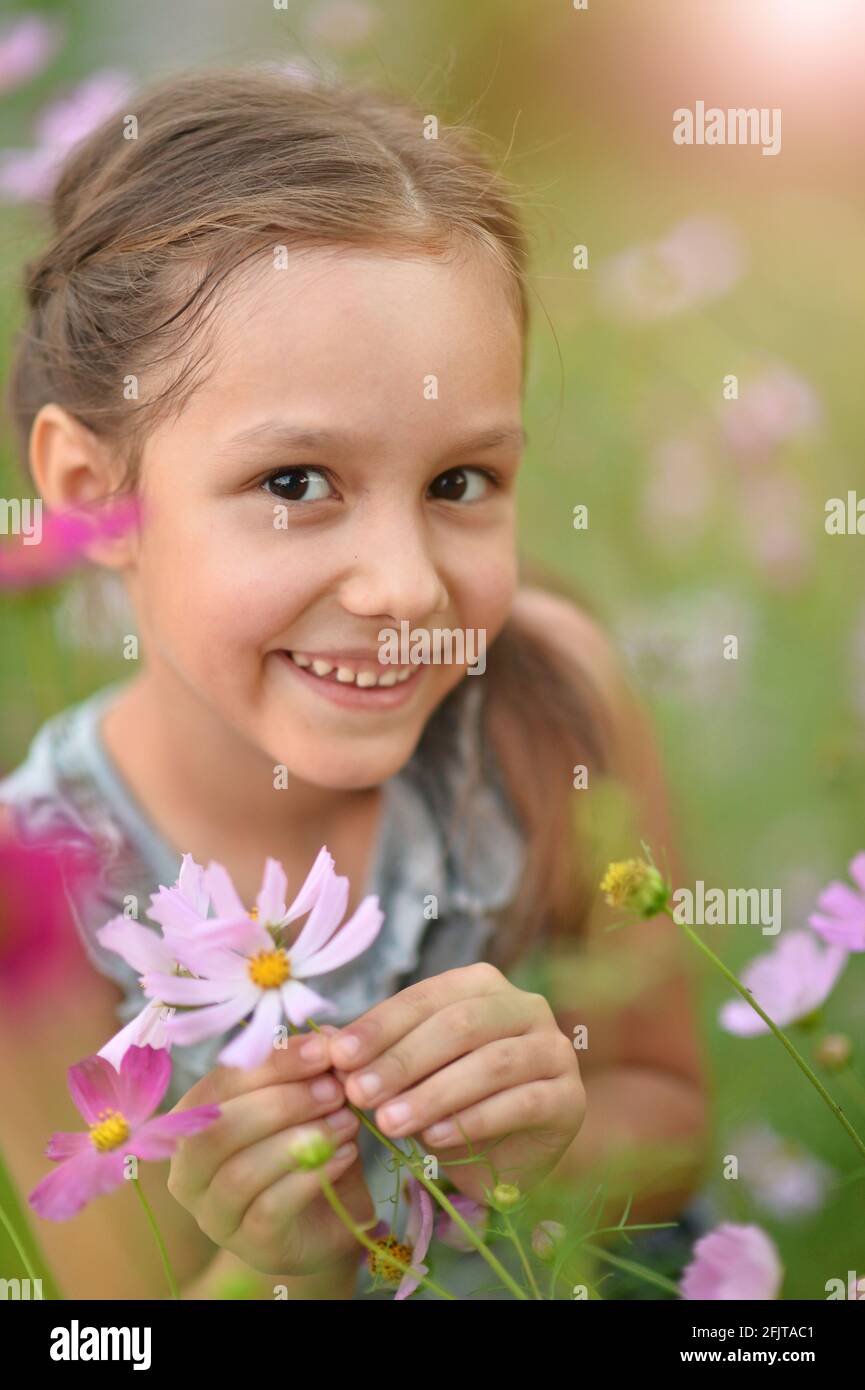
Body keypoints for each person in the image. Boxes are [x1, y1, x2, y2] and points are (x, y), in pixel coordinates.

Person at [0, 65, 708, 1299]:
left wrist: (553, 1138)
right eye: (293, 483)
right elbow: (101, 1325)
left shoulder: (555, 701)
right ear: (90, 493)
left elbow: (673, 1112)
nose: (405, 588)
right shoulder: (35, 901)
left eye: (458, 483)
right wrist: (270, 1263)